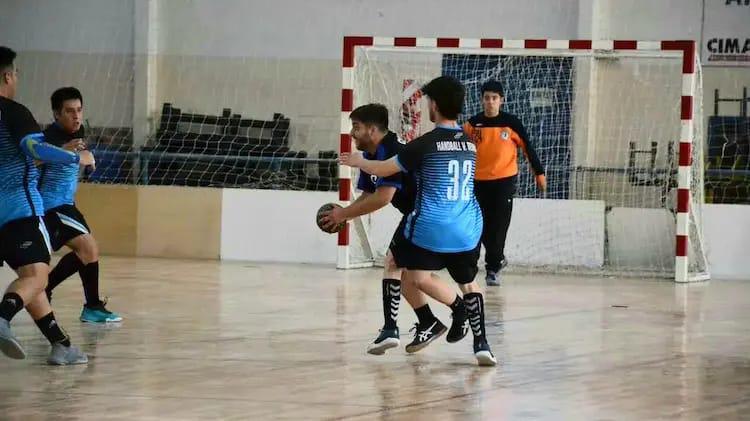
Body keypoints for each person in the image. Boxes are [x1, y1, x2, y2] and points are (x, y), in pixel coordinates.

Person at [340, 76, 496, 366]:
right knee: (469, 282)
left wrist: (358, 161)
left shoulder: (425, 144)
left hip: (432, 225)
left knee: (408, 270)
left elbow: (385, 168)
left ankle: (398, 326)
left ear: (433, 105)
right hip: (469, 227)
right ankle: (482, 345)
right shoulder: (471, 144)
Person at [321, 103, 468, 355]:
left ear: (372, 129)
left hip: (427, 214)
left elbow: (383, 197)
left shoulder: (391, 149)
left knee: (393, 263)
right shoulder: (370, 155)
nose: (352, 133)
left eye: (356, 127)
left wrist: (342, 214)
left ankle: (392, 329)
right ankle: (431, 320)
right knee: (408, 273)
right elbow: (369, 194)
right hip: (417, 214)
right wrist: (344, 215)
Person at [0, 46, 91, 365]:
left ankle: (61, 345)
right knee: (39, 278)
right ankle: (2, 317)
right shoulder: (12, 111)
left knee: (30, 279)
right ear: (8, 76)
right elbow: (33, 149)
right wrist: (73, 156)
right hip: (18, 211)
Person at [40, 87, 122, 323]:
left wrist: (86, 156)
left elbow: (79, 152)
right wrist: (76, 157)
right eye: (69, 111)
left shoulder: (78, 132)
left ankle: (82, 303)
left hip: (67, 204)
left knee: (86, 251)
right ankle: (90, 306)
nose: (76, 116)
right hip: (50, 207)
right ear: (56, 114)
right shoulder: (49, 139)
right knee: (88, 248)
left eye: (79, 110)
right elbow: (43, 158)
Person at [463, 81, 546, 286]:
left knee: (498, 226)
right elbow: (460, 151)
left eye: (494, 98)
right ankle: (482, 262)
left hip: (504, 182)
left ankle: (492, 269)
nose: (490, 102)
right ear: (481, 100)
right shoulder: (472, 125)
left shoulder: (512, 123)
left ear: (502, 100)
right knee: (478, 226)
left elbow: (528, 148)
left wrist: (539, 173)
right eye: (486, 98)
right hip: (477, 183)